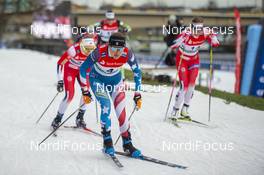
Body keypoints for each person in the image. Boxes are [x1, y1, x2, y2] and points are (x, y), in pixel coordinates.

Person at [79, 32, 142, 158]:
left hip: (115, 81)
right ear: (108, 46)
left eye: (120, 49)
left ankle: (127, 143)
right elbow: (83, 68)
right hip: (97, 80)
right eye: (113, 49)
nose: (117, 53)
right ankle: (107, 141)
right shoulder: (99, 52)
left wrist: (138, 93)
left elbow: (137, 72)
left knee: (121, 112)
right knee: (106, 105)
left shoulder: (127, 53)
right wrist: (85, 90)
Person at [170, 17, 220, 120]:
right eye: (196, 29)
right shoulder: (186, 32)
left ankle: (185, 110)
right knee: (184, 87)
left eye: (200, 29)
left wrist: (214, 39)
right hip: (182, 60)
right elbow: (173, 46)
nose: (198, 32)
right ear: (191, 27)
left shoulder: (205, 32)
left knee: (192, 85)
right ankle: (175, 110)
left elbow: (216, 44)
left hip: (194, 60)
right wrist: (181, 39)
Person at [51, 33, 97, 130]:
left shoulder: (94, 51)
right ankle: (57, 119)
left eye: (91, 50)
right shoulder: (73, 50)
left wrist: (86, 89)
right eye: (87, 50)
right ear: (82, 46)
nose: (89, 52)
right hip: (70, 70)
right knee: (69, 95)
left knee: (86, 94)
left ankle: (80, 118)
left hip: (83, 71)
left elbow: (91, 67)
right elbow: (60, 63)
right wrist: (60, 80)